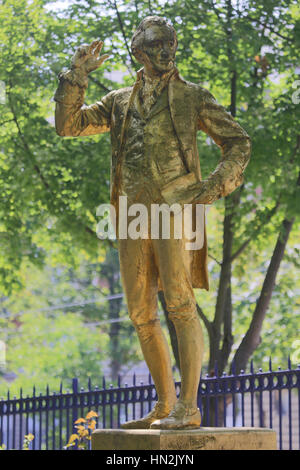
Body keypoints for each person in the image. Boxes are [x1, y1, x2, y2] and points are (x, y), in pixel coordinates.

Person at [54, 16, 251, 430]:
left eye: (171, 43)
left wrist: (214, 186)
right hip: (131, 214)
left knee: (180, 303)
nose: (167, 51)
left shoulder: (192, 97)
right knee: (141, 313)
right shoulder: (119, 101)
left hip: (176, 210)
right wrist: (76, 77)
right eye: (157, 45)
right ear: (138, 52)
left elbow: (238, 142)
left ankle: (189, 406)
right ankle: (165, 405)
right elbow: (68, 126)